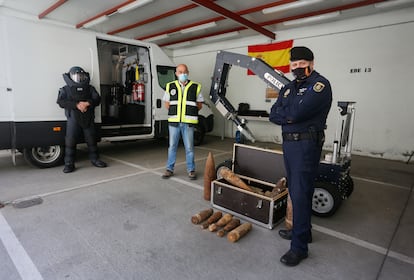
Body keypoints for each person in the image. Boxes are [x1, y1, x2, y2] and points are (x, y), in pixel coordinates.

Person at [269, 46, 332, 266]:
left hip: (306, 146)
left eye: (301, 64)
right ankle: (303, 232)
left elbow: (294, 113)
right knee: (299, 192)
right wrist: (289, 115)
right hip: (290, 146)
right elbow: (273, 114)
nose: (297, 68)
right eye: (294, 65)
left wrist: (288, 114)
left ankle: (299, 248)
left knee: (300, 193)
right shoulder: (287, 88)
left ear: (311, 64)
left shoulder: (320, 86)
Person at [57, 66, 107, 173]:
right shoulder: (65, 89)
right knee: (70, 141)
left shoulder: (90, 88)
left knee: (91, 139)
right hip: (73, 119)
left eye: (81, 76)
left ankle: (95, 159)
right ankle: (69, 164)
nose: (79, 78)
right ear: (70, 77)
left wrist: (88, 103)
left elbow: (97, 99)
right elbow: (61, 102)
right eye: (76, 76)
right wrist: (77, 105)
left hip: (88, 118)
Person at [161, 64, 204, 180]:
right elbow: (167, 104)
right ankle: (169, 169)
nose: (182, 74)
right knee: (172, 146)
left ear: (188, 73)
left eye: (184, 72)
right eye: (180, 72)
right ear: (176, 73)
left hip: (188, 123)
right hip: (174, 123)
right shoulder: (170, 86)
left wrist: (188, 114)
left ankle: (191, 170)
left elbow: (199, 105)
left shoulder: (196, 87)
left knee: (189, 147)